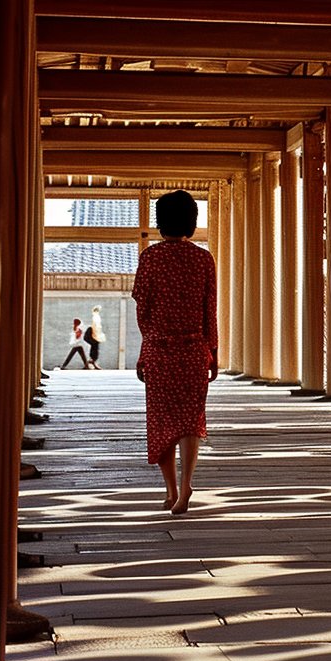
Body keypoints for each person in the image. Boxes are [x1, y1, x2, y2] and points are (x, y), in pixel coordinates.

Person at [131, 190, 218, 515]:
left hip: (159, 348)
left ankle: (170, 491)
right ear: (192, 222)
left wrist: (145, 349)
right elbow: (210, 311)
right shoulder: (203, 259)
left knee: (161, 421)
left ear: (160, 221)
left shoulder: (150, 258)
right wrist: (213, 351)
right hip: (194, 349)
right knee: (189, 423)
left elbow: (143, 310)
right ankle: (186, 486)